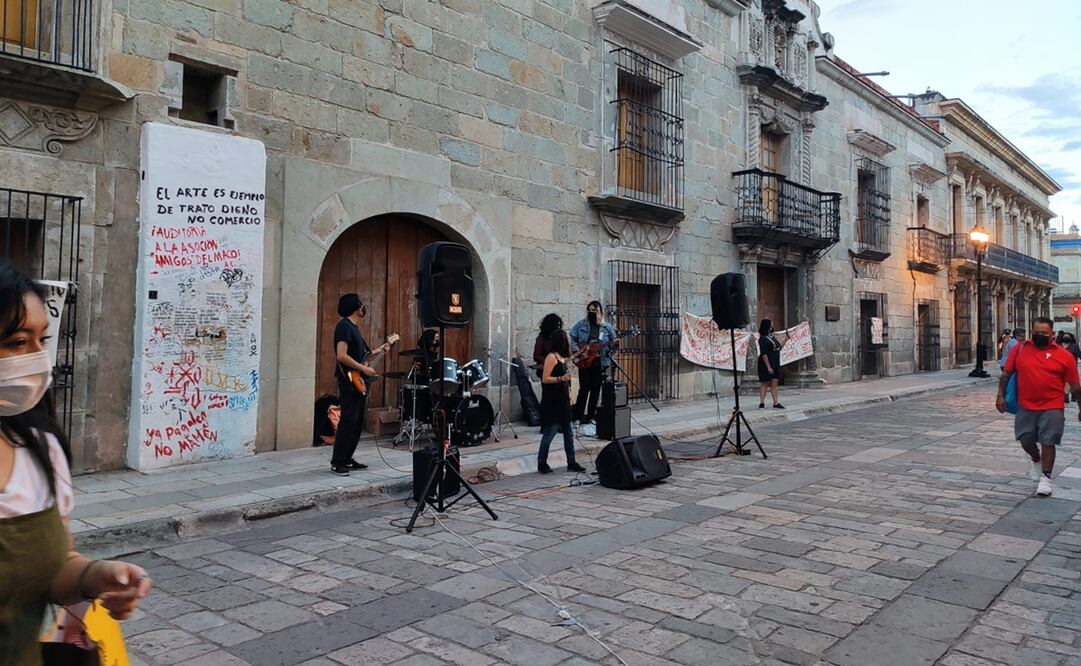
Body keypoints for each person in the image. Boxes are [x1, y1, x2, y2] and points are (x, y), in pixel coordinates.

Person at [0, 265, 151, 663]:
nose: (38, 359)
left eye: (42, 340)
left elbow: (52, 566)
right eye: (18, 342)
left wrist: (95, 576)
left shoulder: (40, 450)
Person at [997, 317, 1081, 497]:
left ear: (1052, 334)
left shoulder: (1064, 356)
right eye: (1036, 333)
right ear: (1031, 332)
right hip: (1026, 404)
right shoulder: (1020, 350)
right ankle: (1036, 458)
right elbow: (1006, 375)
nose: (1040, 336)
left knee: (1048, 440)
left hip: (1053, 405)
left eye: (1044, 333)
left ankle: (1046, 478)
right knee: (1025, 438)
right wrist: (1000, 396)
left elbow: (1075, 386)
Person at [331, 293, 388, 476]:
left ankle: (347, 458)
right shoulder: (344, 327)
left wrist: (382, 348)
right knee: (348, 420)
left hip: (358, 381)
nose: (364, 307)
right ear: (356, 307)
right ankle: (337, 461)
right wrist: (363, 369)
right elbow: (341, 355)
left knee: (356, 422)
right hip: (349, 381)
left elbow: (362, 355)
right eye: (361, 304)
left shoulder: (354, 328)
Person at [537, 330, 586, 474]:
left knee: (569, 433)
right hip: (553, 401)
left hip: (563, 400)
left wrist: (580, 354)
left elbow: (566, 361)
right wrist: (561, 379)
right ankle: (541, 463)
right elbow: (545, 378)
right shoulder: (551, 357)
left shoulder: (560, 357)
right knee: (550, 432)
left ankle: (571, 462)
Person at [569, 301, 620, 426]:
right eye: (589, 310)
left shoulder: (606, 327)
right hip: (585, 363)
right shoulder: (581, 324)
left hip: (599, 362)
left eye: (594, 310)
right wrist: (579, 353)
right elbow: (573, 338)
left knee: (596, 390)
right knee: (584, 389)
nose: (591, 312)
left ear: (600, 312)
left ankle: (591, 416)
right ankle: (578, 417)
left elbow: (614, 343)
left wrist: (612, 348)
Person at [757, 319, 787, 409]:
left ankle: (776, 403)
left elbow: (779, 347)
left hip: (775, 362)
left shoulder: (772, 337)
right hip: (766, 363)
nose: (772, 326)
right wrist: (768, 367)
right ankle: (762, 402)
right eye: (771, 325)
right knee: (765, 382)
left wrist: (786, 339)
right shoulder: (762, 339)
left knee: (775, 382)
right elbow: (764, 354)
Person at [532, 313, 563, 378]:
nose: (558, 327)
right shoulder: (541, 338)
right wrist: (549, 362)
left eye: (559, 325)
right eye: (556, 325)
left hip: (559, 370)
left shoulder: (560, 337)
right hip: (546, 370)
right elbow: (537, 355)